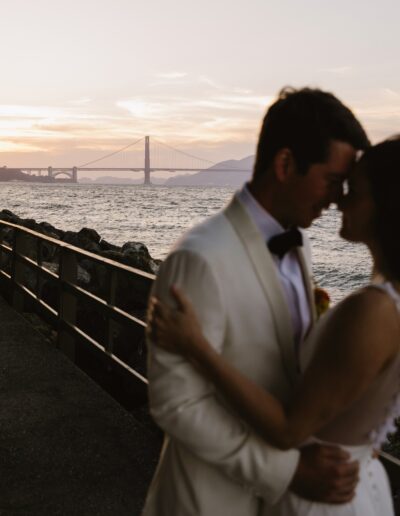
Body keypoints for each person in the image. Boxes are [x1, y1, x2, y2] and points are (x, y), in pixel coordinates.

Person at [142, 87, 370, 516]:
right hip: (211, 502)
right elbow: (175, 404)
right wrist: (286, 471)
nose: (338, 199)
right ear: (285, 165)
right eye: (332, 181)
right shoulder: (199, 258)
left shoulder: (299, 244)